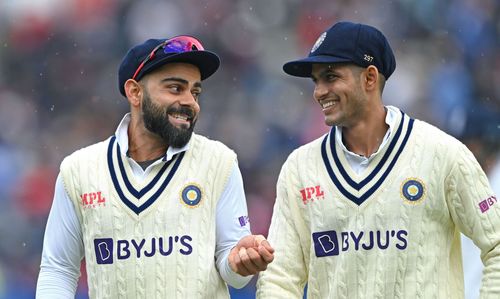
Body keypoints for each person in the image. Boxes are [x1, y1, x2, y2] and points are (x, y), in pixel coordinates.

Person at [256, 21, 500, 298]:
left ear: (370, 78)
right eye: (316, 80)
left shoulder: (442, 153)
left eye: (330, 76)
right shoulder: (300, 168)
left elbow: (496, 246)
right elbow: (280, 277)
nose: (319, 91)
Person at [36, 35, 274, 298]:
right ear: (135, 92)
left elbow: (234, 272)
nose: (190, 102)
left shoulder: (219, 161)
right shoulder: (79, 171)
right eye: (175, 88)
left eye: (195, 92)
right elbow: (58, 269)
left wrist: (239, 263)